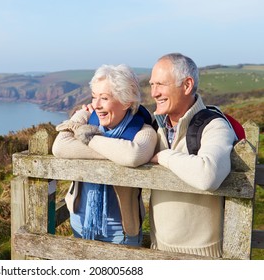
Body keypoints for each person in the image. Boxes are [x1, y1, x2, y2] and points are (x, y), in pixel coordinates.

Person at [52, 64, 157, 246]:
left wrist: (87, 137)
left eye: (104, 98)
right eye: (94, 97)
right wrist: (82, 113)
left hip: (121, 231)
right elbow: (60, 147)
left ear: (126, 101)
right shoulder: (89, 118)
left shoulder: (144, 131)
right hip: (80, 222)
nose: (97, 105)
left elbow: (133, 155)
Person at [148, 53, 237, 257]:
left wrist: (164, 156)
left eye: (160, 84)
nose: (154, 93)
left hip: (201, 255)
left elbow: (208, 175)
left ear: (187, 85)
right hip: (157, 248)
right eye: (152, 84)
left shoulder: (214, 125)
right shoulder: (156, 126)